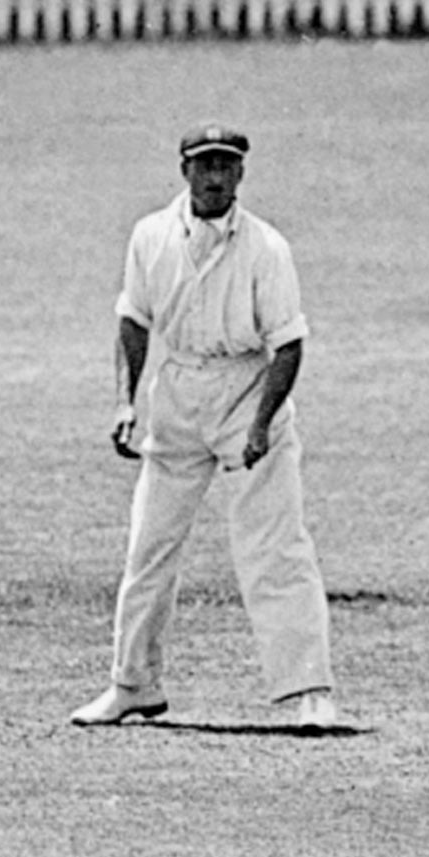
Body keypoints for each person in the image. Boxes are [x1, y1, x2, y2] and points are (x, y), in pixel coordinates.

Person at [69, 124, 338, 730]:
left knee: (274, 545)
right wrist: (125, 402)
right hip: (179, 391)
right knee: (149, 545)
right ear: (184, 169)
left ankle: (309, 693)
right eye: (204, 164)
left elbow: (288, 344)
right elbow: (134, 319)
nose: (215, 176)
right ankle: (132, 683)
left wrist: (263, 424)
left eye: (226, 165)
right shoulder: (150, 235)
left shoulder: (267, 247)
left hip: (249, 389)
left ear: (241, 173)